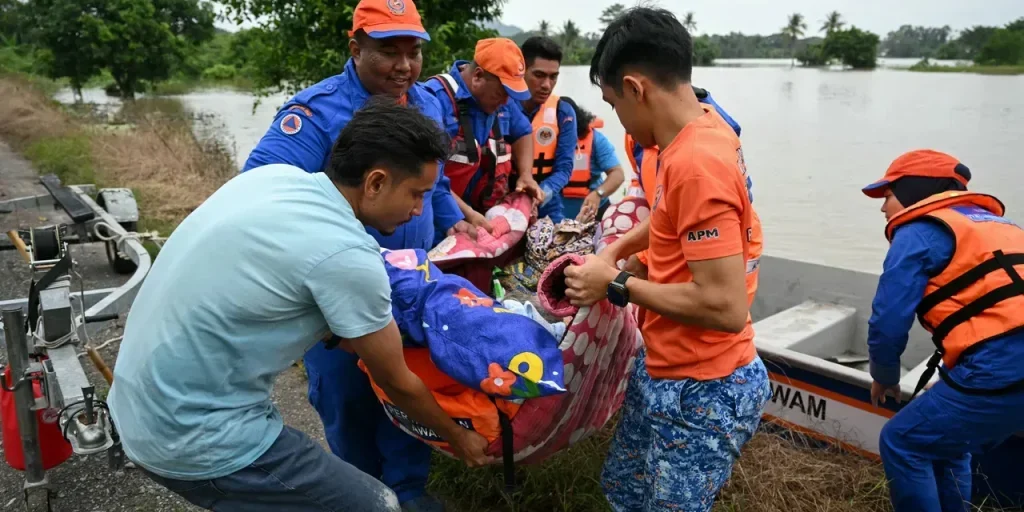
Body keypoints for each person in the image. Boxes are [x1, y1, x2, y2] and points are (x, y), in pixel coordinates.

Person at [107, 100, 493, 512]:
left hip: (132, 407)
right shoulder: (348, 254)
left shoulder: (276, 179)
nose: (419, 210)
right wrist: (459, 436)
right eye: (416, 194)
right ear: (376, 182)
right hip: (194, 436)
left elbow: (284, 295)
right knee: (377, 505)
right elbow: (397, 382)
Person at [240, 2, 467, 510]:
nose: (404, 66)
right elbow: (258, 196)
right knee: (349, 404)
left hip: (410, 289)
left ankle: (409, 494)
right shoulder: (317, 114)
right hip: (336, 300)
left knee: (411, 394)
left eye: (413, 52)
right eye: (389, 51)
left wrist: (461, 235)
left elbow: (437, 186)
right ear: (355, 48)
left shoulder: (424, 105)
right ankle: (362, 496)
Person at [562, 8, 771, 511]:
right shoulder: (702, 129)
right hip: (664, 364)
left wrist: (614, 284)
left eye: (614, 104)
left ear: (635, 88)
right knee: (623, 489)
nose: (619, 119)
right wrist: (619, 250)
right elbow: (670, 219)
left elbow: (724, 307)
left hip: (705, 385)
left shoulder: (697, 163)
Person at [862, 149, 1024, 512]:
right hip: (1005, 362)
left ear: (915, 190)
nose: (883, 207)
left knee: (902, 441)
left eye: (888, 194)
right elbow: (1000, 311)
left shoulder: (918, 231)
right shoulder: (1006, 227)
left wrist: (885, 374)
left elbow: (888, 320)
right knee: (949, 444)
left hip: (1001, 368)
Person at [424, 38, 544, 226]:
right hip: (441, 219)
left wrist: (526, 174)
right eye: (500, 94)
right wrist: (468, 215)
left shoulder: (502, 98)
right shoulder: (433, 99)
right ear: (478, 76)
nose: (505, 102)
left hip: (481, 214)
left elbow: (523, 132)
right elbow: (427, 175)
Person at [517, 36, 578, 222]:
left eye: (553, 77)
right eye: (539, 75)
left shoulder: (564, 113)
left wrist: (540, 194)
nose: (547, 85)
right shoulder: (502, 107)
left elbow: (565, 168)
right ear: (522, 69)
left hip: (546, 203)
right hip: (504, 199)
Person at [556, 96, 624, 223]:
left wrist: (598, 193)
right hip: (555, 215)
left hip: (594, 212)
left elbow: (618, 174)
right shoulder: (543, 140)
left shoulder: (596, 140)